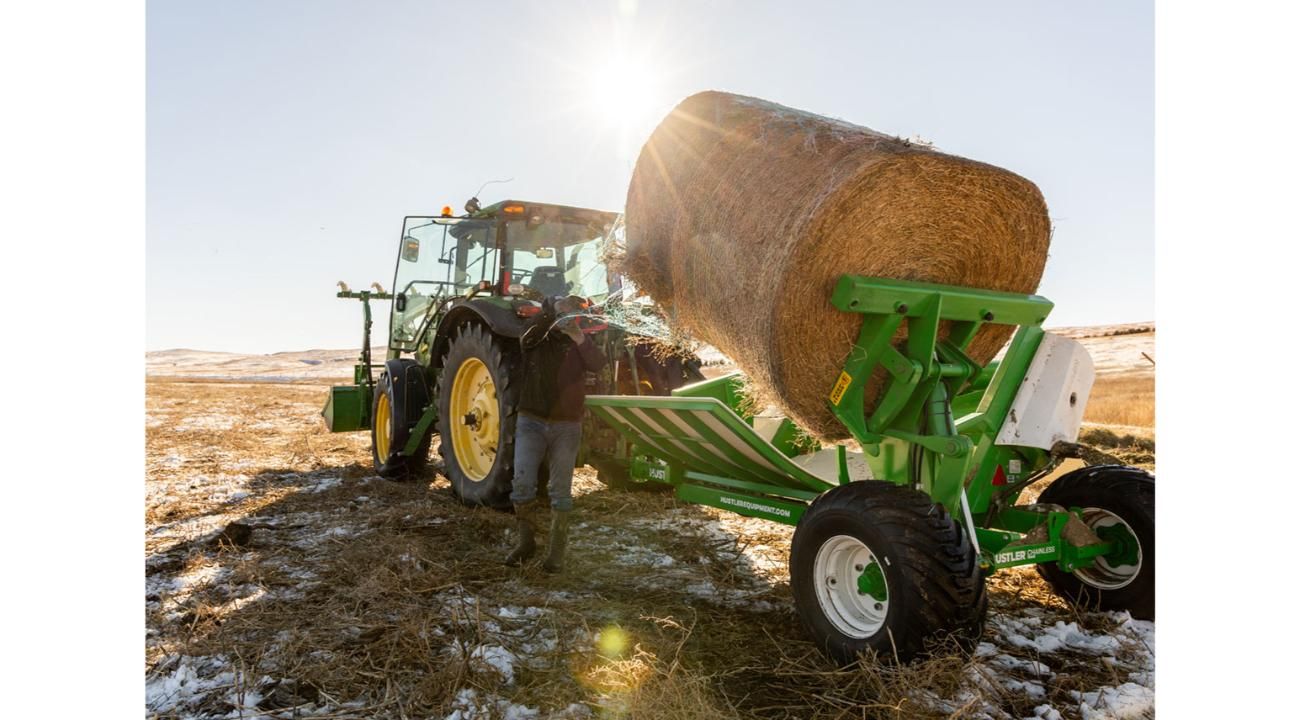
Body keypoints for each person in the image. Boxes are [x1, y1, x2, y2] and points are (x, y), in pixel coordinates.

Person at [504, 295, 605, 572]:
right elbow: (526, 339)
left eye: (570, 314)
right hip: (531, 421)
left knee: (560, 492)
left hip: (567, 425)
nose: (567, 319)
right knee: (522, 486)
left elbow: (598, 363)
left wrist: (580, 338)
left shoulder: (577, 343)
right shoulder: (538, 338)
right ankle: (526, 544)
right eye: (563, 314)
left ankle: (556, 554)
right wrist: (551, 311)